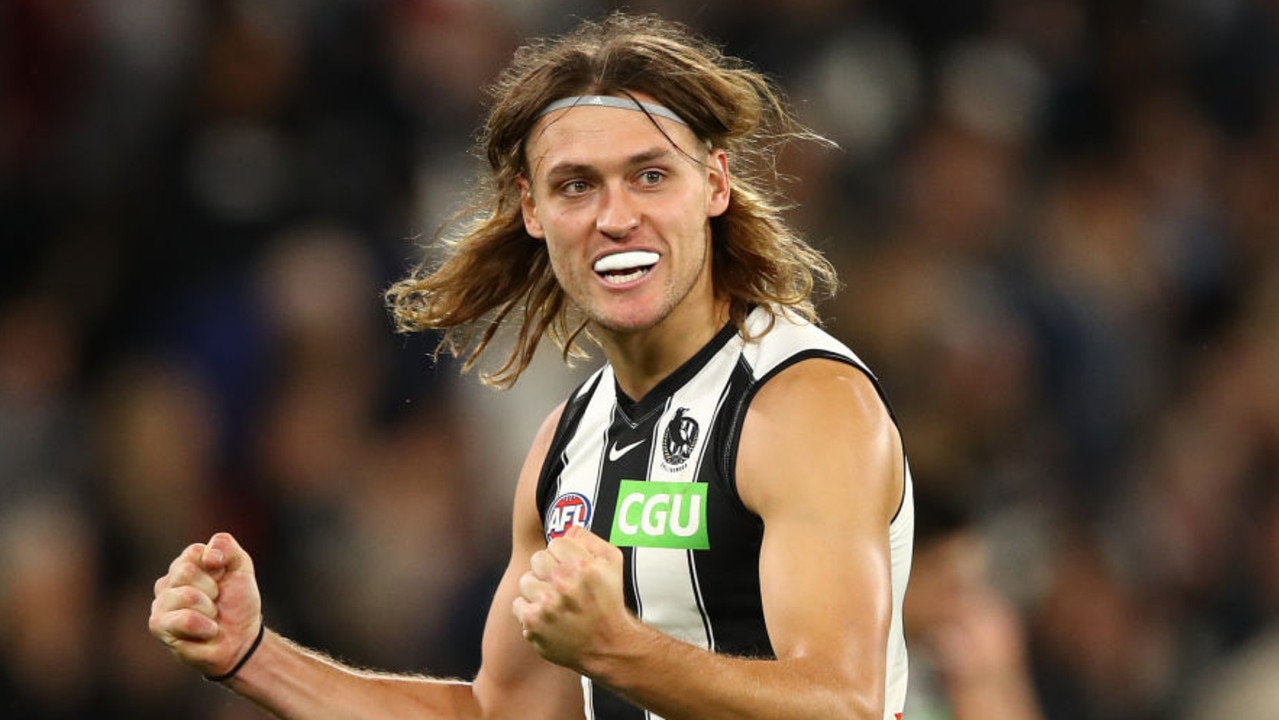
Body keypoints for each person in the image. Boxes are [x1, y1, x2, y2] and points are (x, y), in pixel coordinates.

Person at [149, 12, 915, 720]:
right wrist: (254, 657)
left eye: (650, 175)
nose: (616, 218)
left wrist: (616, 646)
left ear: (713, 184)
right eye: (576, 185)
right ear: (531, 210)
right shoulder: (566, 446)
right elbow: (503, 713)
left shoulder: (804, 402)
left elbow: (844, 702)